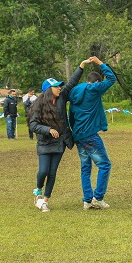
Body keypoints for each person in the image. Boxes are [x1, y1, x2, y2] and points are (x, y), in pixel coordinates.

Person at [28, 58, 90, 212]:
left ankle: (45, 201)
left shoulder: (62, 98)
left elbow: (71, 83)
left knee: (52, 172)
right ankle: (38, 190)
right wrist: (48, 129)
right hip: (45, 143)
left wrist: (81, 66)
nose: (60, 88)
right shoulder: (38, 104)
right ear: (49, 89)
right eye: (56, 86)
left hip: (60, 142)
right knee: (43, 171)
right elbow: (33, 124)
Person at [68, 56, 117, 210]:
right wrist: (100, 63)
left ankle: (87, 200)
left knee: (85, 167)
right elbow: (111, 79)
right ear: (96, 82)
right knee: (105, 165)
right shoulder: (94, 89)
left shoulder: (75, 91)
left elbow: (71, 116)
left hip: (78, 134)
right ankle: (98, 197)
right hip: (90, 135)